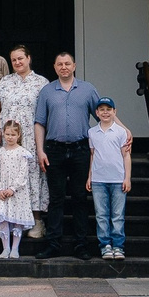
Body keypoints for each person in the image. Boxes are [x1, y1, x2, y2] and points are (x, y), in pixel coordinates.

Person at [35, 50, 104, 257]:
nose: (63, 67)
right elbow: (39, 122)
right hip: (54, 150)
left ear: (74, 66)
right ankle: (53, 244)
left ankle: (81, 245)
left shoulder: (87, 89)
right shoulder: (47, 91)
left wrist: (123, 130)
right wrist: (40, 151)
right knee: (56, 199)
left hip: (80, 149)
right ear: (55, 68)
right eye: (59, 64)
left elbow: (102, 115)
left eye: (67, 64)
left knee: (80, 197)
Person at [0, 44, 49, 236]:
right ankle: (8, 219)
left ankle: (36, 220)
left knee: (31, 176)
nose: (17, 62)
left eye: (20, 58)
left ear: (29, 58)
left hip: (31, 138)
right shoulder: (6, 81)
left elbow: (48, 111)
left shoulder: (41, 82)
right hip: (7, 137)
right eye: (13, 60)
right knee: (7, 174)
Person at [86, 99, 132, 260]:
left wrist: (127, 178)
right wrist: (90, 176)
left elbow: (126, 155)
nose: (105, 112)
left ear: (115, 112)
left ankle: (118, 245)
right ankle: (105, 244)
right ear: (97, 113)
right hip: (99, 179)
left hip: (118, 178)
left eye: (108, 109)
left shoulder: (121, 132)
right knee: (101, 214)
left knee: (118, 214)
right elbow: (93, 155)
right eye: (101, 110)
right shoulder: (92, 132)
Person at [0, 120, 37, 258]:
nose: (10, 137)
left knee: (17, 218)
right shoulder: (0, 153)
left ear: (19, 135)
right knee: (4, 218)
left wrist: (13, 188)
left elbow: (23, 173)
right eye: (7, 134)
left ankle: (15, 248)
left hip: (17, 192)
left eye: (13, 134)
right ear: (3, 134)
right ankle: (6, 248)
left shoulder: (22, 153)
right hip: (3, 191)